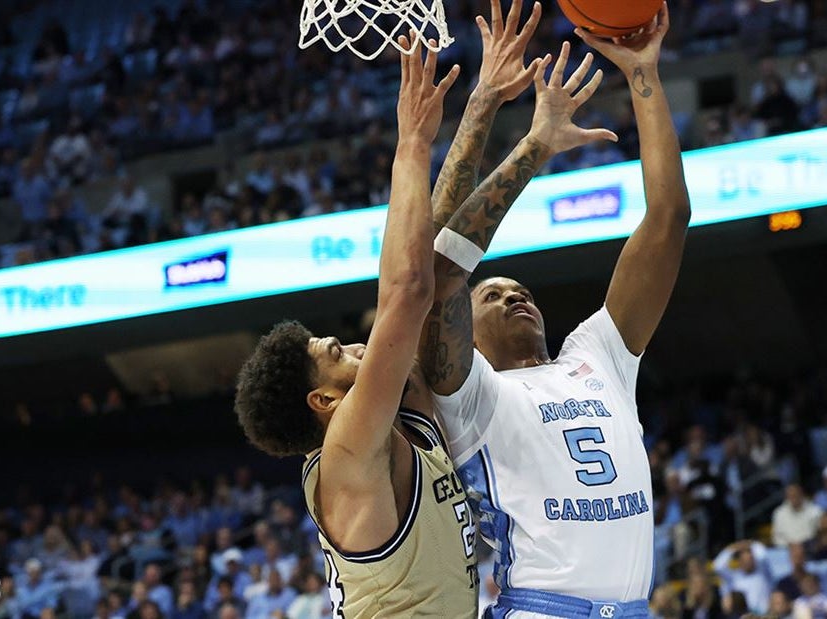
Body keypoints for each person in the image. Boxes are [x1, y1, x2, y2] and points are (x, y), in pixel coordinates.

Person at [419, 4, 689, 616]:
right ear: (469, 334)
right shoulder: (470, 392)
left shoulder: (597, 357)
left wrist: (643, 75)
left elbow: (668, 219)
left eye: (523, 292)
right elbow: (437, 274)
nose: (514, 295)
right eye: (492, 294)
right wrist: (531, 142)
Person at [232, 35, 471, 617]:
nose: (361, 347)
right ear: (323, 399)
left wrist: (486, 102)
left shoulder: (397, 423)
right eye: (338, 352)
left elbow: (432, 270)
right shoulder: (346, 453)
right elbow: (407, 293)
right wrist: (411, 144)